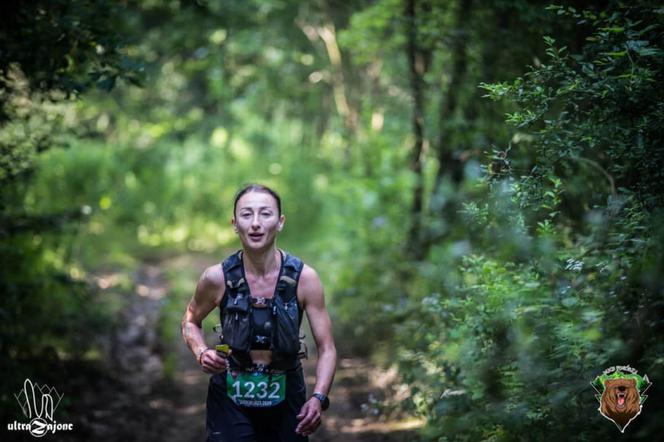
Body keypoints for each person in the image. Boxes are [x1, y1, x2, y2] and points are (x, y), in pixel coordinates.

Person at [181, 184, 337, 442]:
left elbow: (327, 347)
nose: (255, 223)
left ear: (280, 222)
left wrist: (319, 397)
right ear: (234, 223)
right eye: (246, 214)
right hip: (230, 393)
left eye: (265, 214)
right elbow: (190, 321)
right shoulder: (216, 277)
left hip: (287, 391)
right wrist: (201, 352)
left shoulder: (304, 279)